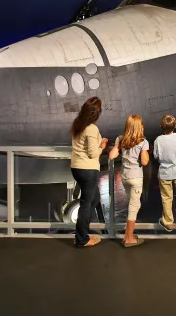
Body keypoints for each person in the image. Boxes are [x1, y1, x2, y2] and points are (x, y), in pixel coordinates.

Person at [70, 97, 108, 248]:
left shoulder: (77, 124)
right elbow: (93, 153)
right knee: (86, 204)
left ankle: (83, 231)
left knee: (94, 199)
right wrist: (103, 145)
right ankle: (81, 239)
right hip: (88, 169)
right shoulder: (92, 128)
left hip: (77, 167)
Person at [109, 114, 149, 247]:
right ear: (139, 127)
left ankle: (128, 232)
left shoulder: (120, 139)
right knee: (133, 207)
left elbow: (112, 155)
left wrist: (118, 148)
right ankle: (129, 238)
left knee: (134, 205)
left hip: (125, 177)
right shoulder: (143, 142)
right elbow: (144, 162)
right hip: (136, 177)